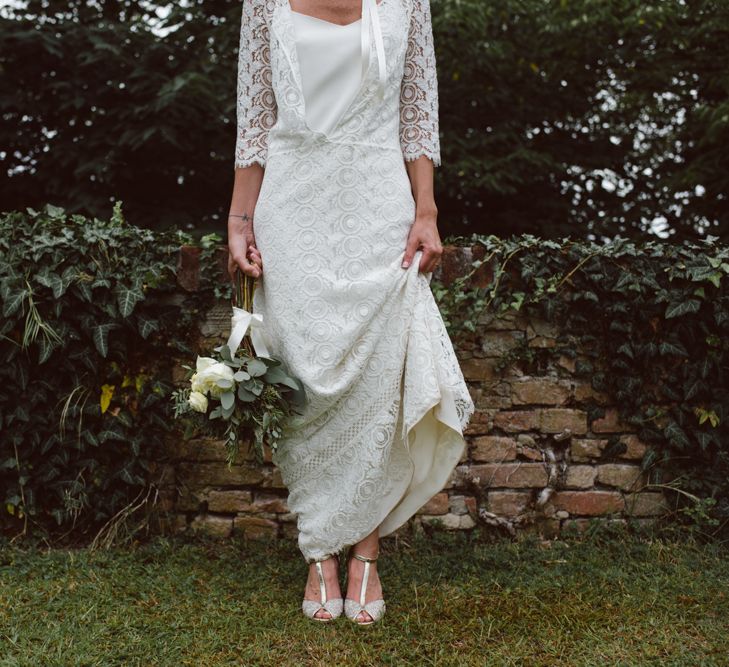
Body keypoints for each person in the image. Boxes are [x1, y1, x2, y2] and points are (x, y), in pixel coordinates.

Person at [227, 0, 474, 625]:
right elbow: (255, 123)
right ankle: (320, 550)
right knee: (303, 374)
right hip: (293, 207)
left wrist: (426, 211)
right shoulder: (263, 6)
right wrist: (239, 220)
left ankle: (365, 550)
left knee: (375, 375)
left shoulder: (408, 5)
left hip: (379, 210)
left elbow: (418, 120)